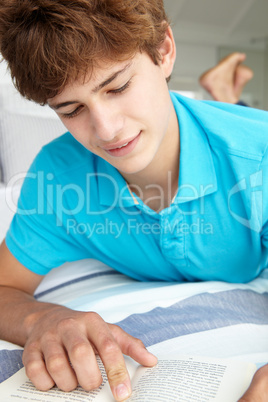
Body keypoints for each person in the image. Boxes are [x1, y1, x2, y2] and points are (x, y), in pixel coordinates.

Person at [0, 1, 267, 401]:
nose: (107, 130)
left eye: (119, 87)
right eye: (72, 110)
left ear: (164, 51)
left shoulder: (257, 157)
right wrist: (44, 318)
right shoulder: (57, 177)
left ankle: (226, 93)